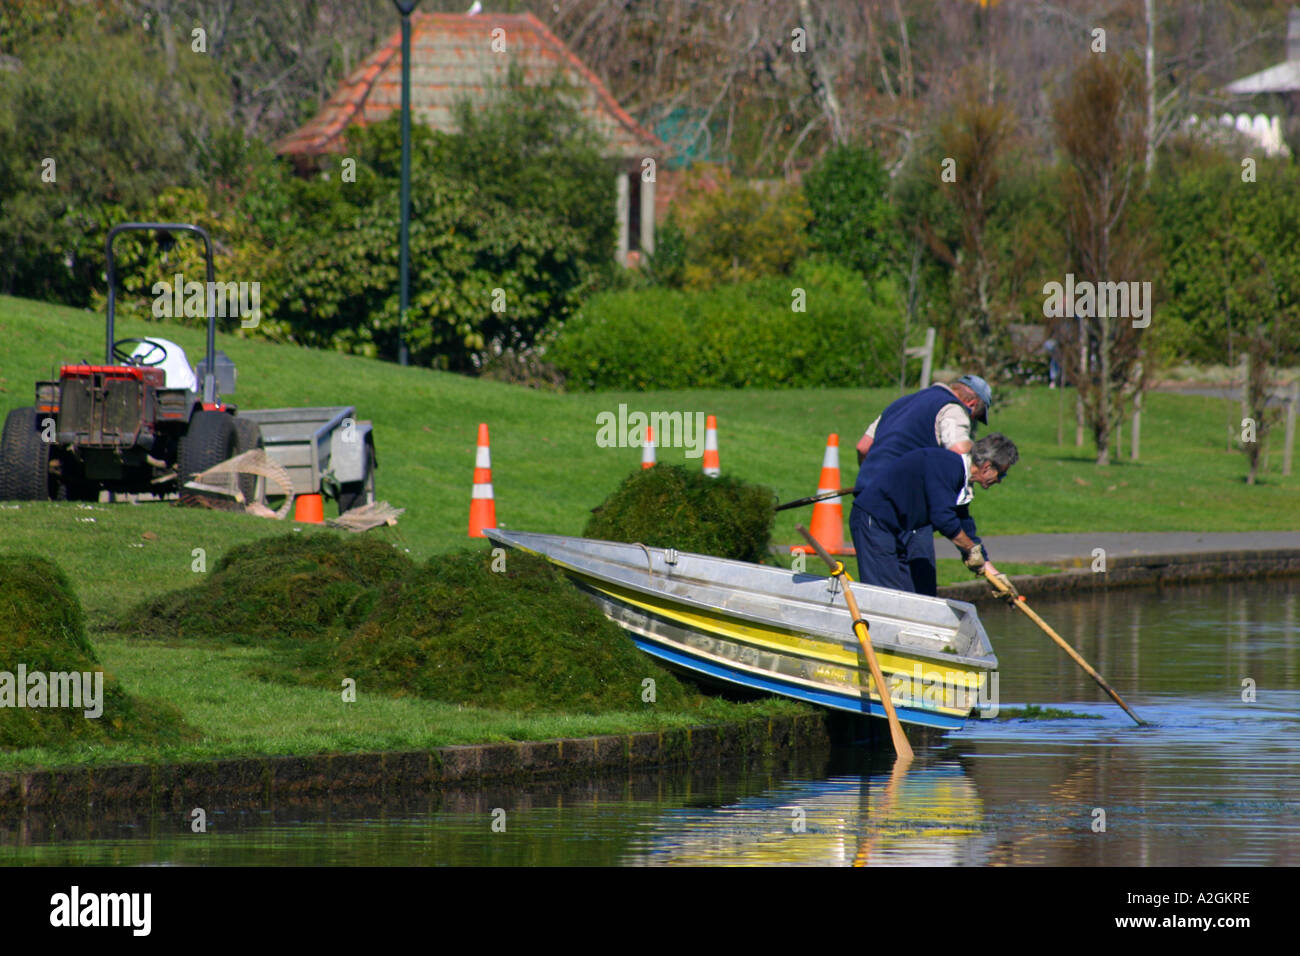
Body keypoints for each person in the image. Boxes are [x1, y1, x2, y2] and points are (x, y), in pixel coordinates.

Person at [853, 374, 993, 594]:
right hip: (908, 508)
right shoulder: (953, 408)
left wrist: (874, 481)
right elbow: (961, 452)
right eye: (976, 417)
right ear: (972, 404)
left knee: (881, 590)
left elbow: (863, 447)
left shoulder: (900, 404)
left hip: (869, 503)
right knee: (920, 592)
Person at [850, 434, 1020, 596]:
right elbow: (943, 519)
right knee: (883, 593)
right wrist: (970, 550)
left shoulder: (961, 478)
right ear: (987, 467)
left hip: (895, 529)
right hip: (873, 521)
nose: (1000, 480)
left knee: (906, 593)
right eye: (1002, 474)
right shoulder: (946, 466)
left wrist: (994, 575)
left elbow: (963, 524)